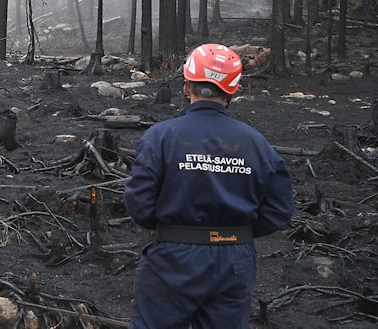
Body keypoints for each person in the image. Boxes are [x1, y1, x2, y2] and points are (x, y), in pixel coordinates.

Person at [125, 43, 294, 329]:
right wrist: (233, 234)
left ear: (187, 84)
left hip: (173, 257)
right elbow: (279, 210)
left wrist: (176, 230)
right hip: (234, 260)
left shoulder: (161, 137)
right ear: (233, 89)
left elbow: (139, 204)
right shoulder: (257, 144)